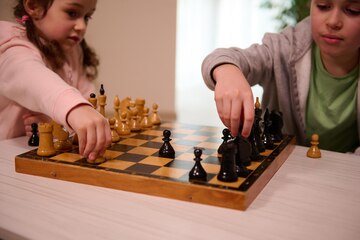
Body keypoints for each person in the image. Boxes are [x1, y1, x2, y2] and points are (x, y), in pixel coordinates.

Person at [202, 0, 360, 154]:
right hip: (284, 173)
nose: (333, 21)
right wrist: (227, 70)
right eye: (323, 6)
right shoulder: (284, 48)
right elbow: (220, 57)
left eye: (353, 10)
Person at [0, 0, 112, 161]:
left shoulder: (72, 51)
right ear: (34, 6)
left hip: (45, 156)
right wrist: (76, 109)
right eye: (72, 13)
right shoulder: (12, 45)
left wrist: (63, 121)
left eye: (87, 17)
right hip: (7, 161)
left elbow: (88, 101)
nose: (82, 26)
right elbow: (31, 77)